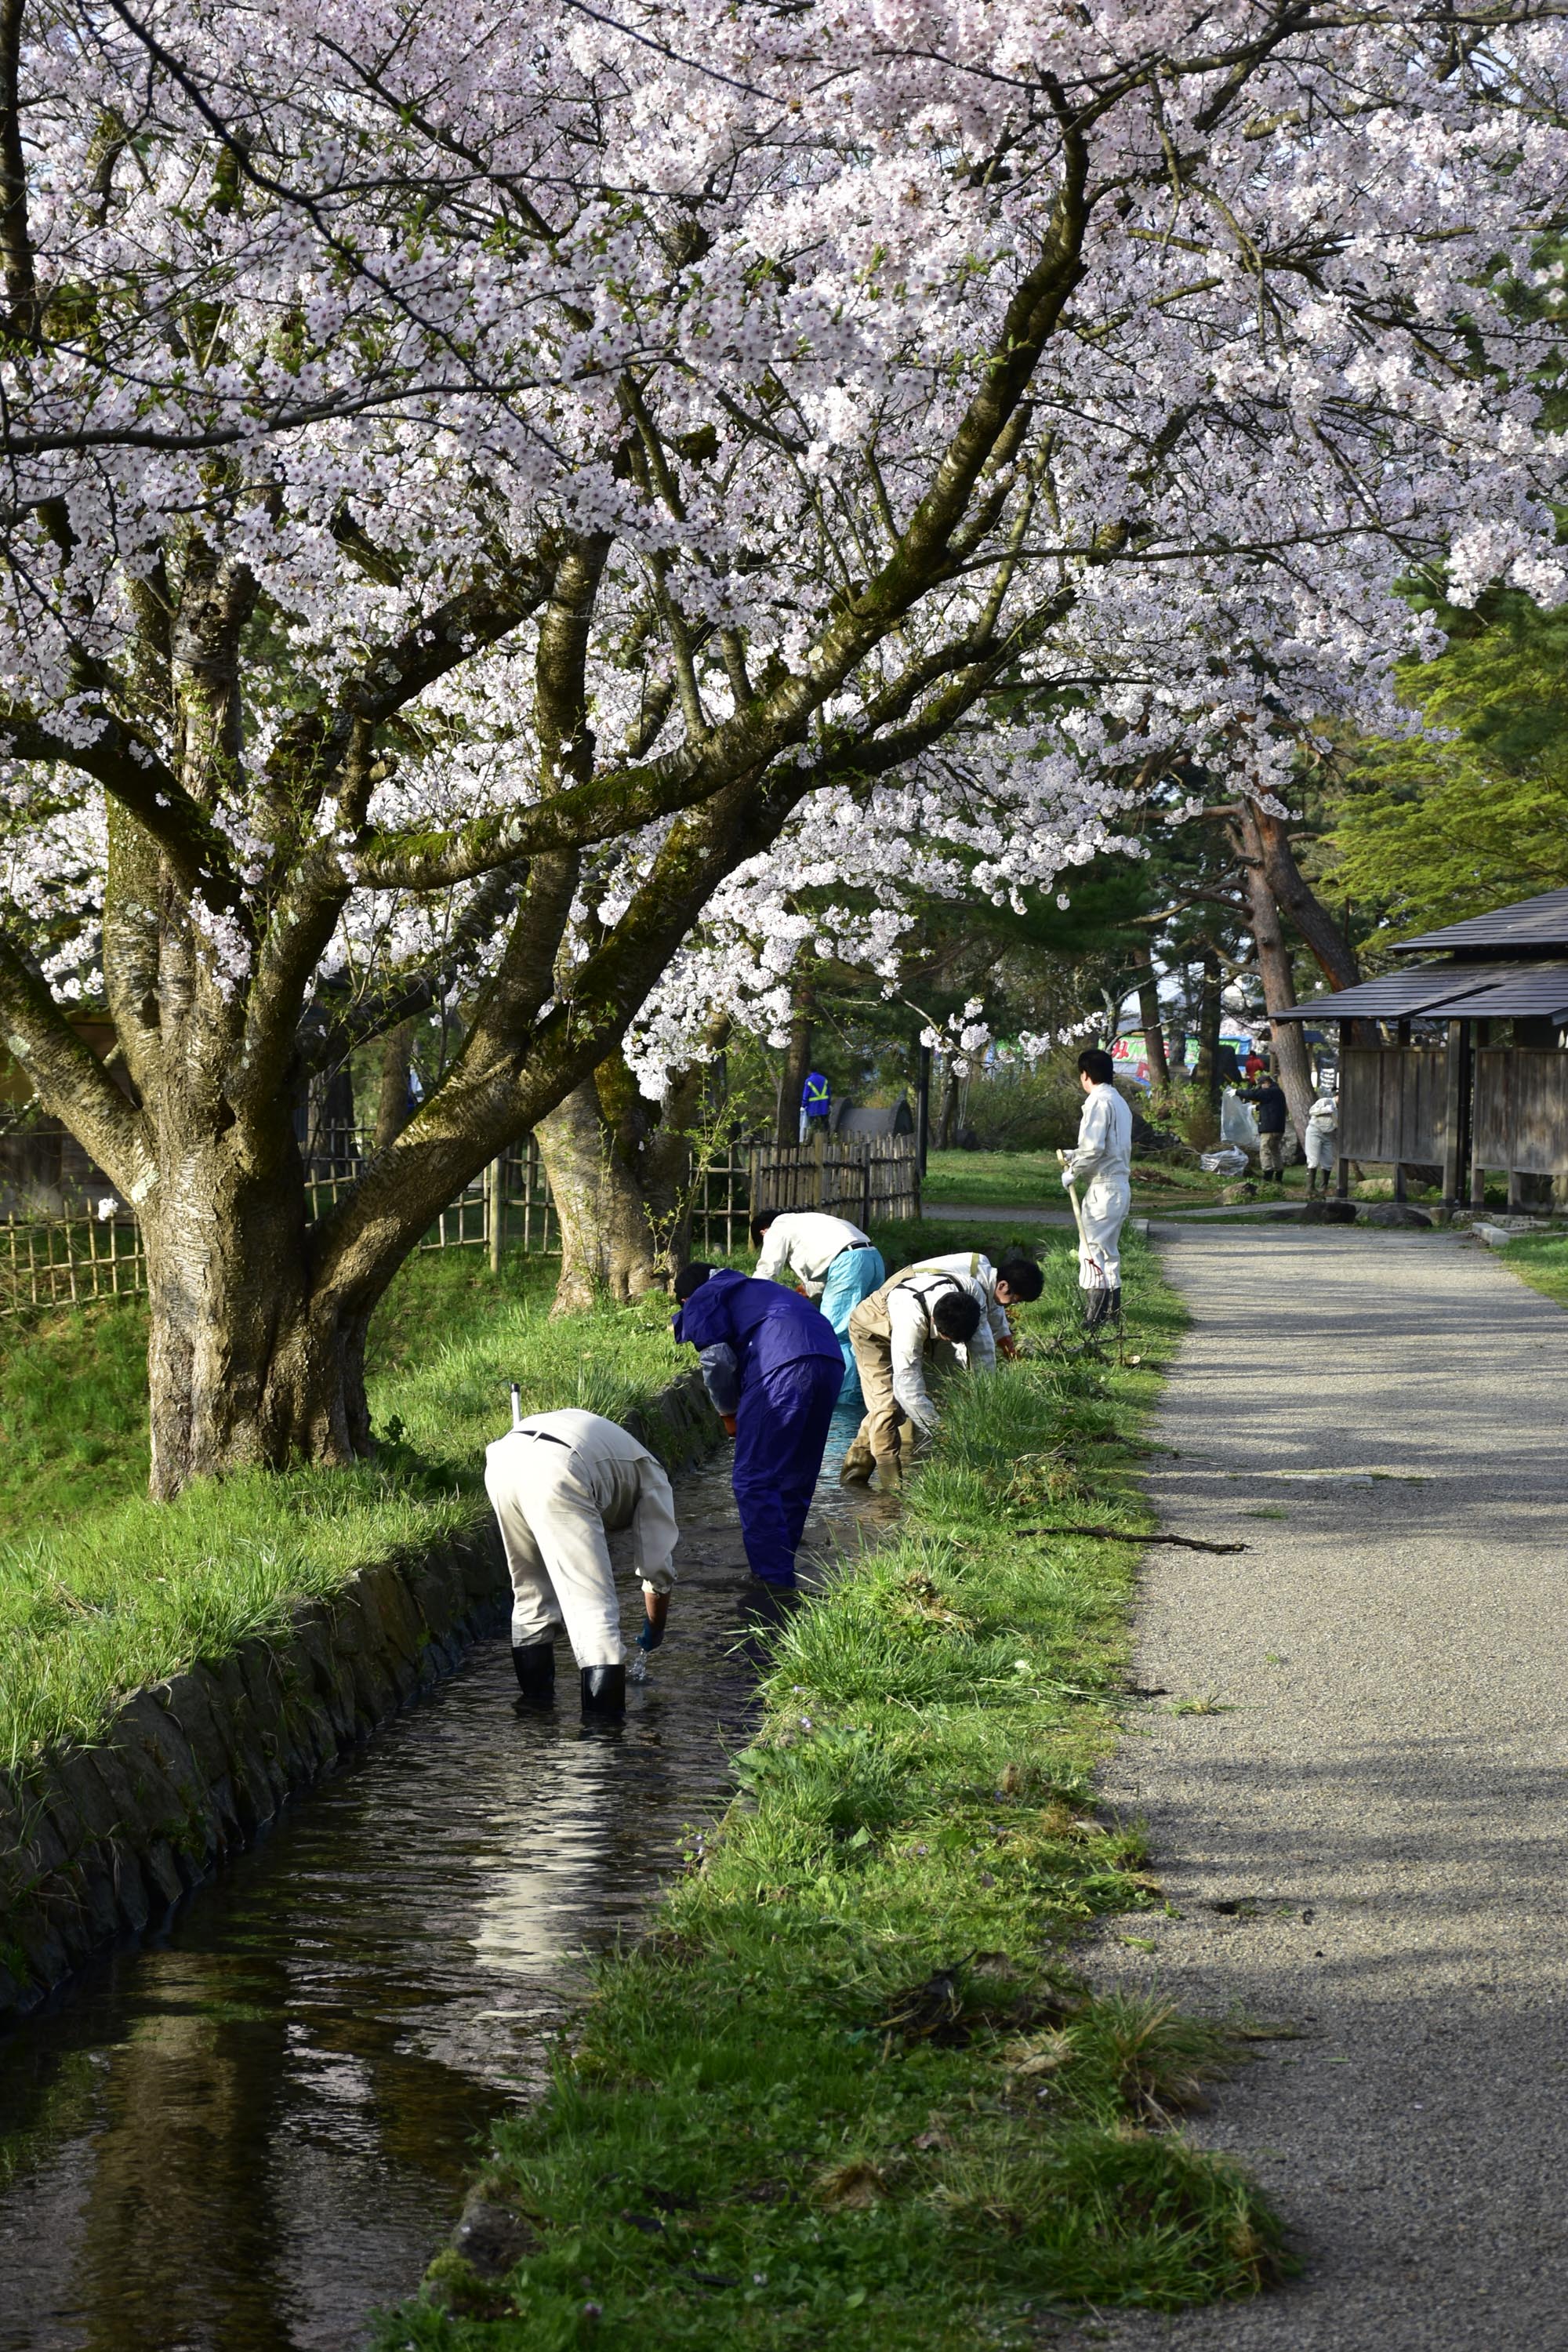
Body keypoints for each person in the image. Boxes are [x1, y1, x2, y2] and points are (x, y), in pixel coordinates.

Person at [483, 1407, 680, 1719]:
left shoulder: (617, 1449)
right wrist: (657, 1627)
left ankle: (537, 1721)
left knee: (531, 1597)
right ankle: (603, 1742)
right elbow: (657, 1570)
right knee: (594, 1615)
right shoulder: (654, 1476)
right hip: (563, 1467)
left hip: (503, 1459)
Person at [673, 1263, 844, 1590]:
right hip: (830, 1360)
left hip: (782, 1365)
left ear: (685, 1301)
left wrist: (727, 1413)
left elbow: (717, 1360)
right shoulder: (755, 1288)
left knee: (753, 1480)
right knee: (796, 1476)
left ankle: (771, 1583)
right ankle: (783, 1566)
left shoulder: (703, 1297)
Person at [839, 1262, 985, 1489]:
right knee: (887, 1407)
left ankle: (854, 1474)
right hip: (871, 1331)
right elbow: (907, 1388)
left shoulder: (971, 1293)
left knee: (896, 1407)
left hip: (915, 1323)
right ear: (935, 1324)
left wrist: (986, 1401)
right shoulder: (911, 1321)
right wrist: (941, 1433)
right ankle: (892, 1489)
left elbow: (983, 1352)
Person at [751, 1207, 887, 1403]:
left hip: (848, 1265)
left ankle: (843, 1399)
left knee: (836, 1336)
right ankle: (875, 1395)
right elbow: (830, 1263)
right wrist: (807, 1289)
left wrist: (750, 1298)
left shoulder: (777, 1228)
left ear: (763, 1231)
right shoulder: (809, 1221)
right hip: (872, 1258)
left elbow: (767, 1270)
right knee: (867, 1333)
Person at [1061, 1047, 1134, 1329]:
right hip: (1119, 1185)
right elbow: (1106, 1147)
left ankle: (1094, 1320)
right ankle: (1112, 1316)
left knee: (1091, 1251)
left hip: (1103, 1188)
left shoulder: (1097, 1101)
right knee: (1108, 1253)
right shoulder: (1119, 1101)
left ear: (1085, 1074)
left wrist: (1073, 1171)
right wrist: (1073, 1155)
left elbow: (1093, 1148)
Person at [908, 1247, 1044, 1360]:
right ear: (1003, 1286)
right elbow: (982, 1343)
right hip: (904, 1296)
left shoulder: (989, 1279)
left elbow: (997, 1314)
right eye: (1015, 1300)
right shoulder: (975, 1283)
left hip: (924, 1302)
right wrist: (988, 1383)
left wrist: (1010, 1350)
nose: (1013, 1305)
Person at [1243, 1072, 1290, 1181]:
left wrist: (1237, 1092)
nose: (1261, 1088)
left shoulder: (1270, 1091)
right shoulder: (1278, 1092)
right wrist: (1257, 1108)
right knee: (1275, 1150)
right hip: (1279, 1128)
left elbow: (1254, 1095)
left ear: (1266, 1083)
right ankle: (1279, 1175)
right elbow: (1271, 1106)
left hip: (1269, 1128)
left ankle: (1267, 1174)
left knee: (1265, 1150)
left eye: (1261, 1085)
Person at [1305, 1074, 1339, 1197]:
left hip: (1328, 1135)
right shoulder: (1325, 1101)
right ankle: (1310, 1188)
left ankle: (1323, 1187)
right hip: (1315, 1131)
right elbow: (1311, 1111)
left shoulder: (1340, 1109)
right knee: (1313, 1160)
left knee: (1328, 1161)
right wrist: (1325, 1110)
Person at [800, 1069, 832, 1141]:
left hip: (813, 1106)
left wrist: (803, 1105)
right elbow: (829, 1093)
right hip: (824, 1105)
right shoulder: (824, 1079)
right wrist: (829, 1103)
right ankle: (828, 1139)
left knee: (812, 1124)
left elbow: (806, 1095)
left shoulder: (809, 1081)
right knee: (825, 1123)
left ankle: (811, 1141)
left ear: (809, 1071)